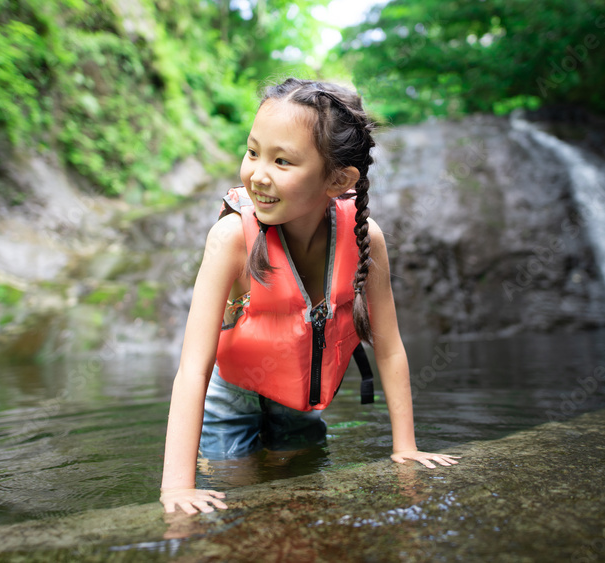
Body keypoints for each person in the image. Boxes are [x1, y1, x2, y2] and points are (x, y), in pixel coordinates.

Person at [159, 78, 460, 515]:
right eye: (252, 152)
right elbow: (193, 368)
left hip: (298, 393)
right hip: (233, 392)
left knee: (302, 491)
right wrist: (176, 487)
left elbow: (390, 348)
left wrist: (405, 447)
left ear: (338, 180)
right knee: (239, 495)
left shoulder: (364, 239)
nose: (258, 174)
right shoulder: (231, 238)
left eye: (282, 161)